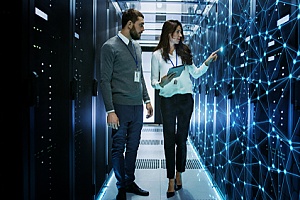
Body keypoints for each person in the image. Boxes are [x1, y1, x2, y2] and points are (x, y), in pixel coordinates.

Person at [150, 19, 219, 198]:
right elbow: (153, 83)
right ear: (169, 33)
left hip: (186, 100)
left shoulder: (185, 52)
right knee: (168, 139)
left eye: (181, 32)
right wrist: (161, 82)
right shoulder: (157, 55)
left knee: (181, 139)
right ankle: (170, 179)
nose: (180, 35)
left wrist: (207, 62)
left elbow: (195, 73)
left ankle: (179, 173)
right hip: (167, 100)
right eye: (177, 32)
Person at [99, 8, 153, 200]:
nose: (143, 29)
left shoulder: (137, 47)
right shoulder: (110, 47)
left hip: (136, 107)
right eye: (141, 25)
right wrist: (110, 110)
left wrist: (147, 100)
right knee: (118, 147)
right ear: (129, 24)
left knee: (133, 147)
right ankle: (122, 186)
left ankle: (129, 181)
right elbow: (104, 80)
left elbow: (140, 78)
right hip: (119, 107)